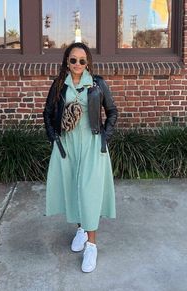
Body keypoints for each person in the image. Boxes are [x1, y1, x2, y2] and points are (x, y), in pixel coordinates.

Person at [43, 42, 118, 273]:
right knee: (74, 188)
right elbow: (47, 112)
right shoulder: (59, 85)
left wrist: (104, 136)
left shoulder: (97, 85)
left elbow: (112, 111)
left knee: (89, 192)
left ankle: (91, 245)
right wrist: (54, 138)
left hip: (91, 144)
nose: (77, 64)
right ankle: (81, 229)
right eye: (73, 60)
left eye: (82, 60)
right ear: (67, 61)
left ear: (88, 63)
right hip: (67, 145)